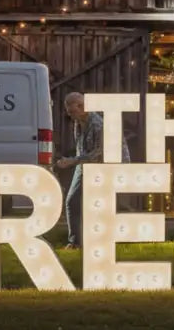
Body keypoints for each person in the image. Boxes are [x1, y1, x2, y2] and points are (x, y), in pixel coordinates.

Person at [54, 91, 130, 250]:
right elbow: (82, 149)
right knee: (72, 201)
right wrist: (73, 161)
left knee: (99, 205)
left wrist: (71, 162)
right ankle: (75, 242)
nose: (70, 115)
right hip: (85, 164)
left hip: (107, 166)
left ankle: (103, 241)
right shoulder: (78, 122)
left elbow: (98, 154)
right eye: (68, 112)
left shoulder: (99, 125)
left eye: (72, 111)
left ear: (82, 106)